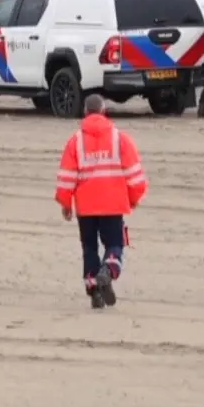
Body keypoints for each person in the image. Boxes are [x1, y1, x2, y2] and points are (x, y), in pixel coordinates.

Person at [55, 94, 148, 309]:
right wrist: (133, 199)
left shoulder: (75, 141)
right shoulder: (120, 139)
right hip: (113, 204)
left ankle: (93, 290)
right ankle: (108, 270)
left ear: (85, 112)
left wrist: (66, 203)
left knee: (89, 247)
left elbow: (67, 177)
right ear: (104, 111)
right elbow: (134, 175)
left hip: (85, 207)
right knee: (115, 244)